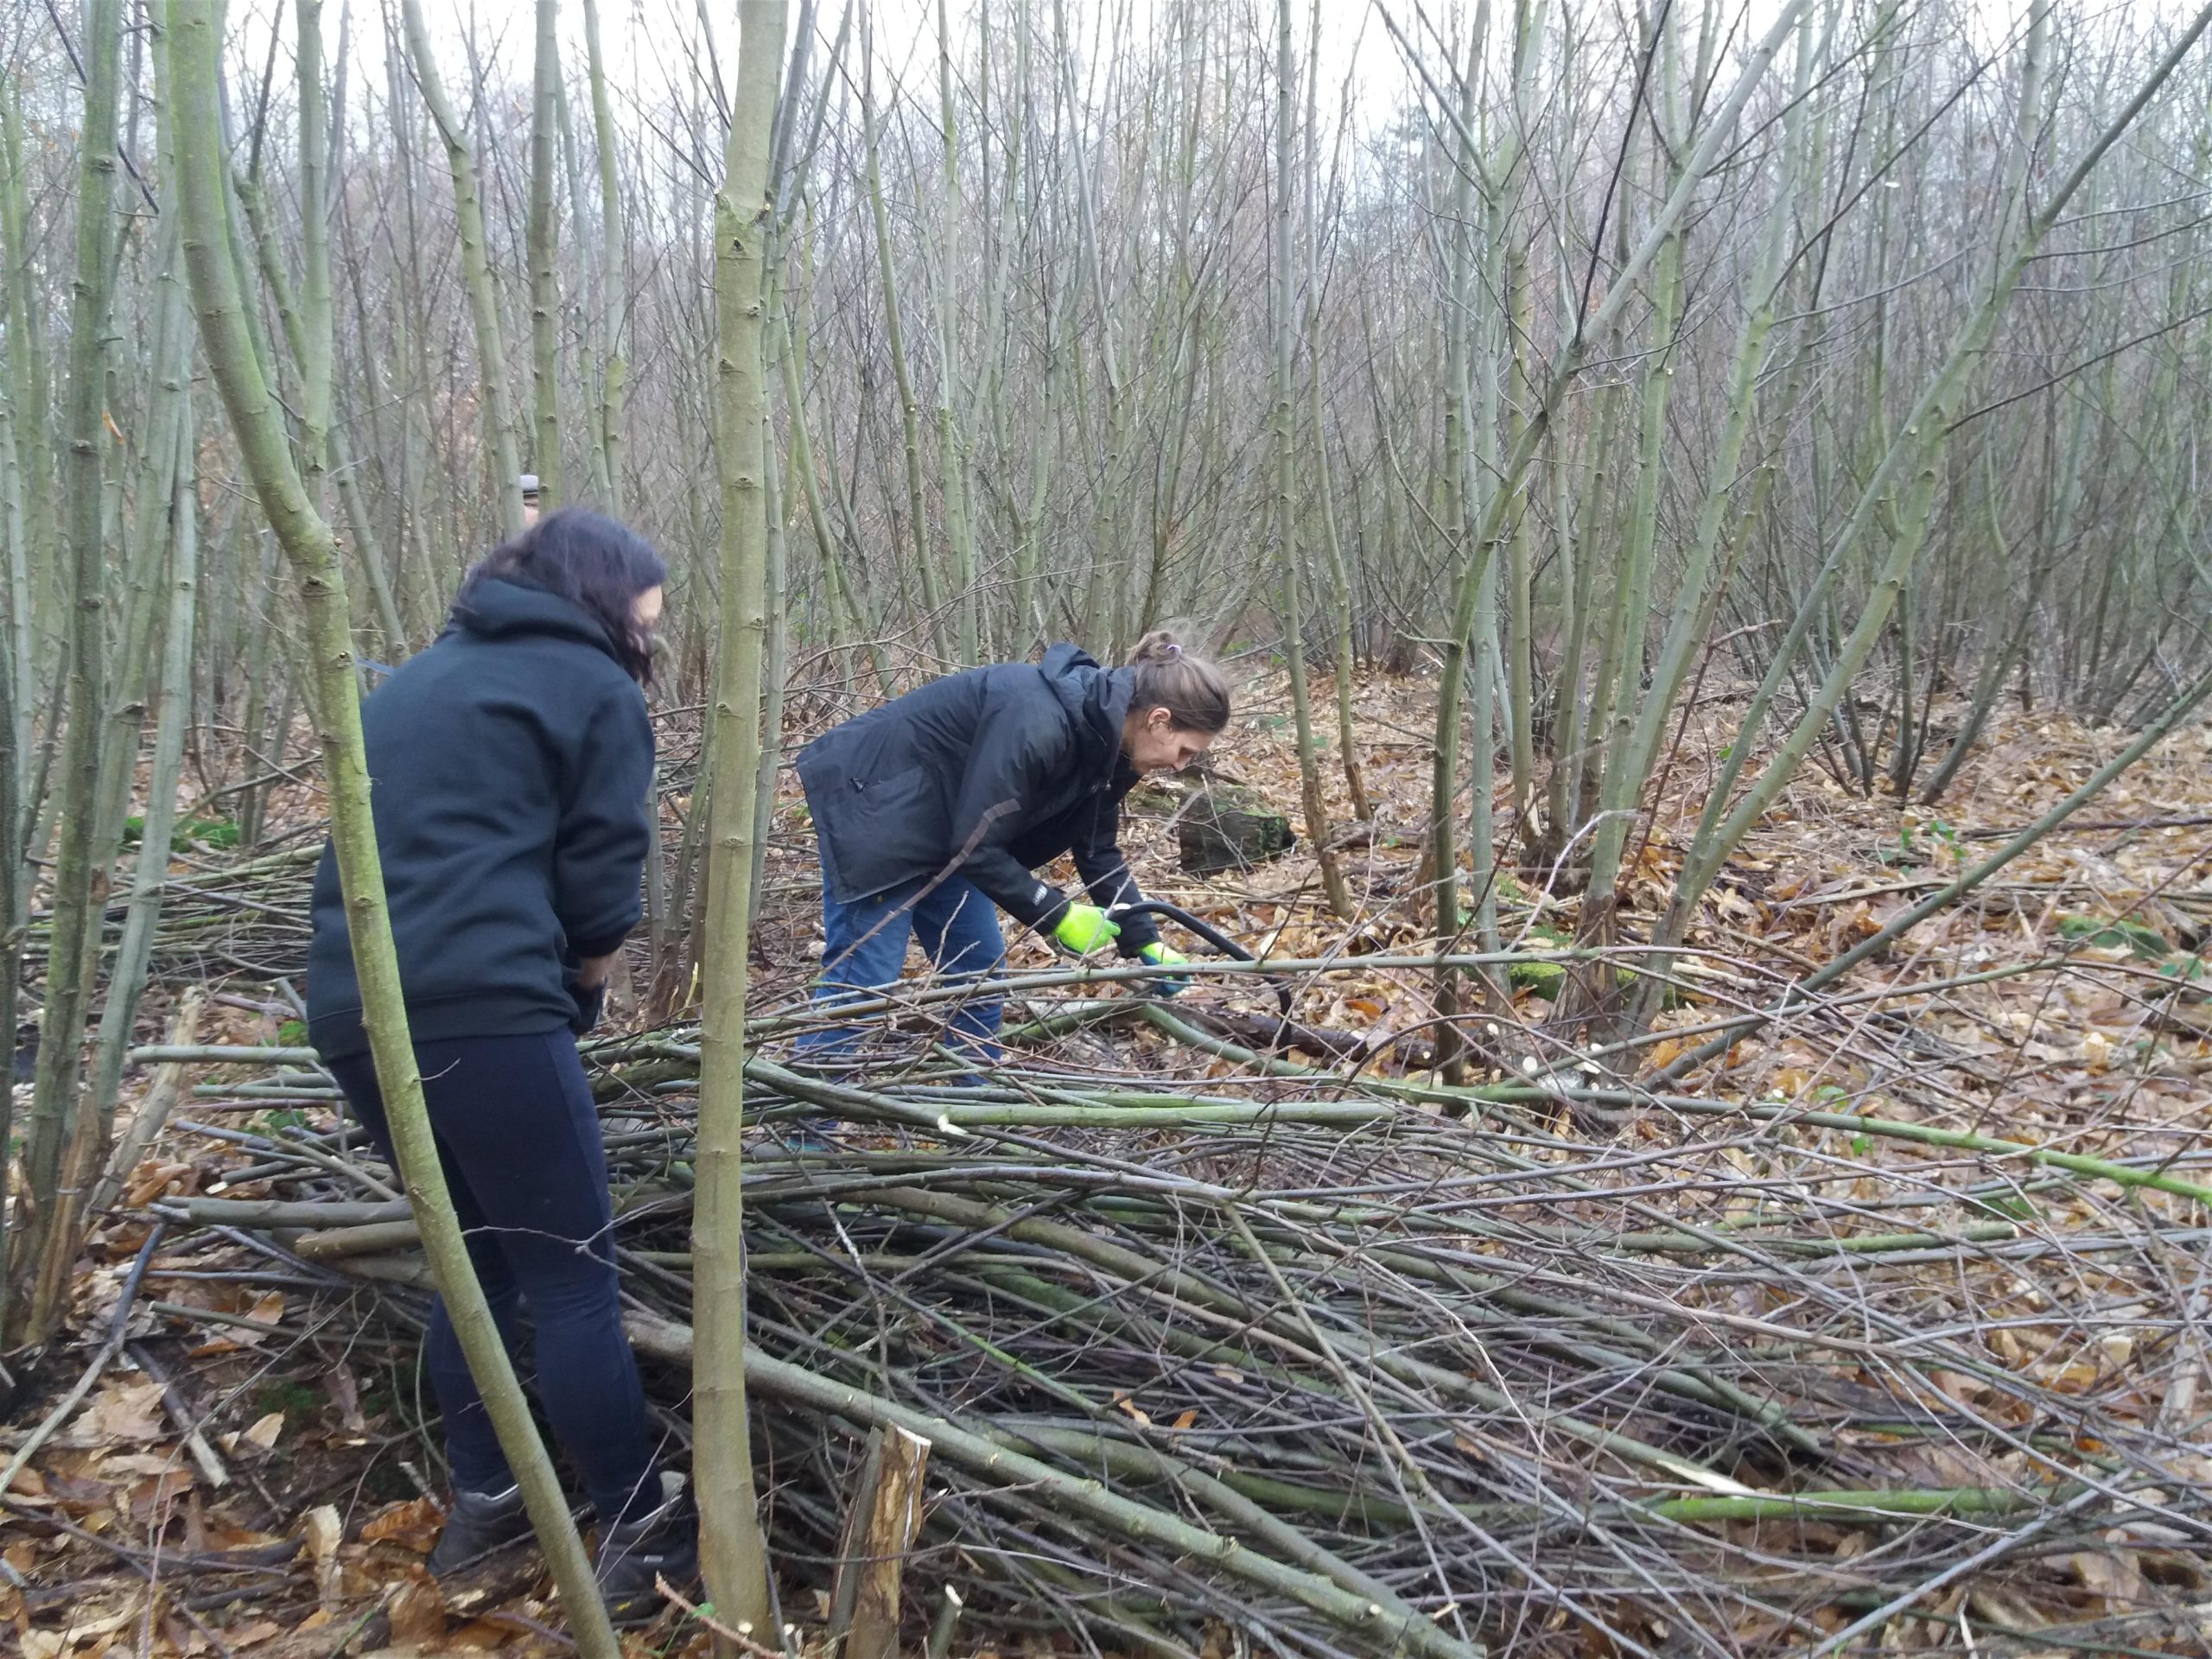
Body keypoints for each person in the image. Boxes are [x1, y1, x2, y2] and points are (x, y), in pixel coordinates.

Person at [305, 508, 690, 1622]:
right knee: (570, 1267)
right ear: (603, 604)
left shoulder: (411, 683)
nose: (651, 638)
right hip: (488, 1005)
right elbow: (602, 878)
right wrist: (582, 991)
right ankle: (638, 1526)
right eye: (648, 618)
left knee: (475, 1261)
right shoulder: (593, 689)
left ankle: (485, 1503)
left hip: (352, 1007)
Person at [794, 631, 1232, 1066]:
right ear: (1158, 719)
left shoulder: (1115, 749)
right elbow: (978, 847)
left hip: (949, 832)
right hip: (877, 809)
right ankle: (809, 1129)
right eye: (1185, 750)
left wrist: (1143, 940)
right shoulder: (1035, 719)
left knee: (979, 972)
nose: (1180, 766)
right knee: (865, 984)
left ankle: (972, 1102)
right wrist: (1057, 914)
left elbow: (1098, 850)